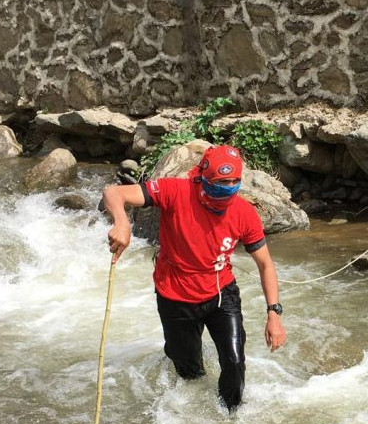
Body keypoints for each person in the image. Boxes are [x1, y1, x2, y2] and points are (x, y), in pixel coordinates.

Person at [101, 145, 286, 410]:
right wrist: (122, 222)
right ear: (203, 178)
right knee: (190, 372)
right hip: (175, 295)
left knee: (234, 364)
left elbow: (266, 264)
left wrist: (274, 314)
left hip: (221, 294)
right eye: (221, 183)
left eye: (234, 182)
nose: (228, 188)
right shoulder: (175, 191)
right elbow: (113, 193)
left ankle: (230, 421)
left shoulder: (245, 213)